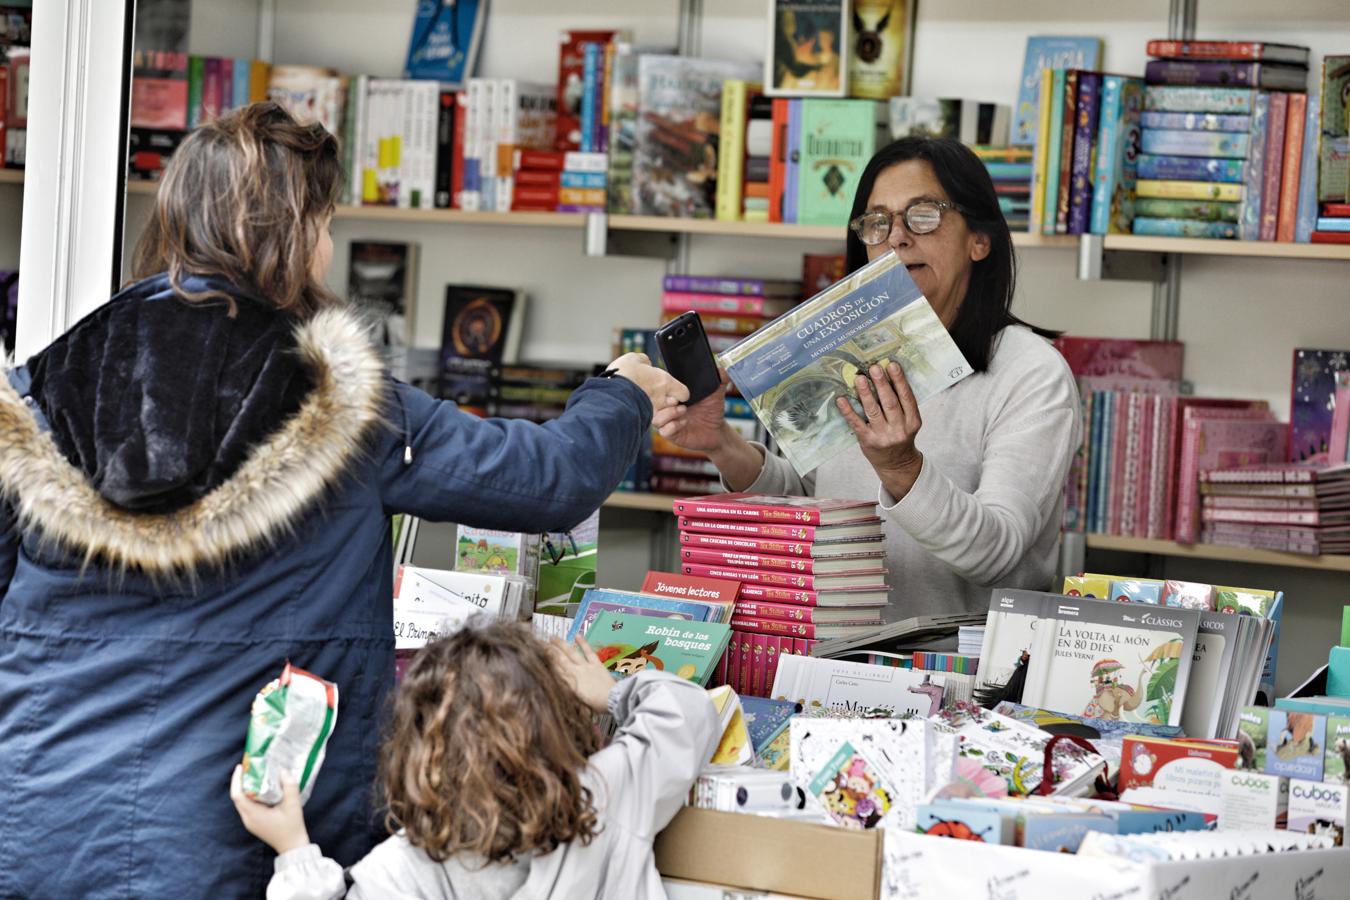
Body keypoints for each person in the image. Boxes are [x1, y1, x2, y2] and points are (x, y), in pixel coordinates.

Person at [0, 103, 686, 899]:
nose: (329, 249)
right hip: (238, 850)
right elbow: (546, 478)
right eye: (323, 224)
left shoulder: (40, 388)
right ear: (290, 233)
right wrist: (621, 394)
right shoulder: (341, 401)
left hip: (37, 830)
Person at [660, 136, 1081, 622]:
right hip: (832, 661)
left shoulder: (1031, 371)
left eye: (924, 214)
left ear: (979, 239)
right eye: (877, 222)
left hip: (961, 675)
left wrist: (902, 467)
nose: (896, 238)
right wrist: (721, 444)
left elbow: (997, 555)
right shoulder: (844, 351)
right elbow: (810, 509)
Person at [232, 622, 721, 899]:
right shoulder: (610, 792)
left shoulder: (403, 866)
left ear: (415, 749)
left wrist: (294, 849)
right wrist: (609, 692)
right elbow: (689, 711)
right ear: (554, 719)